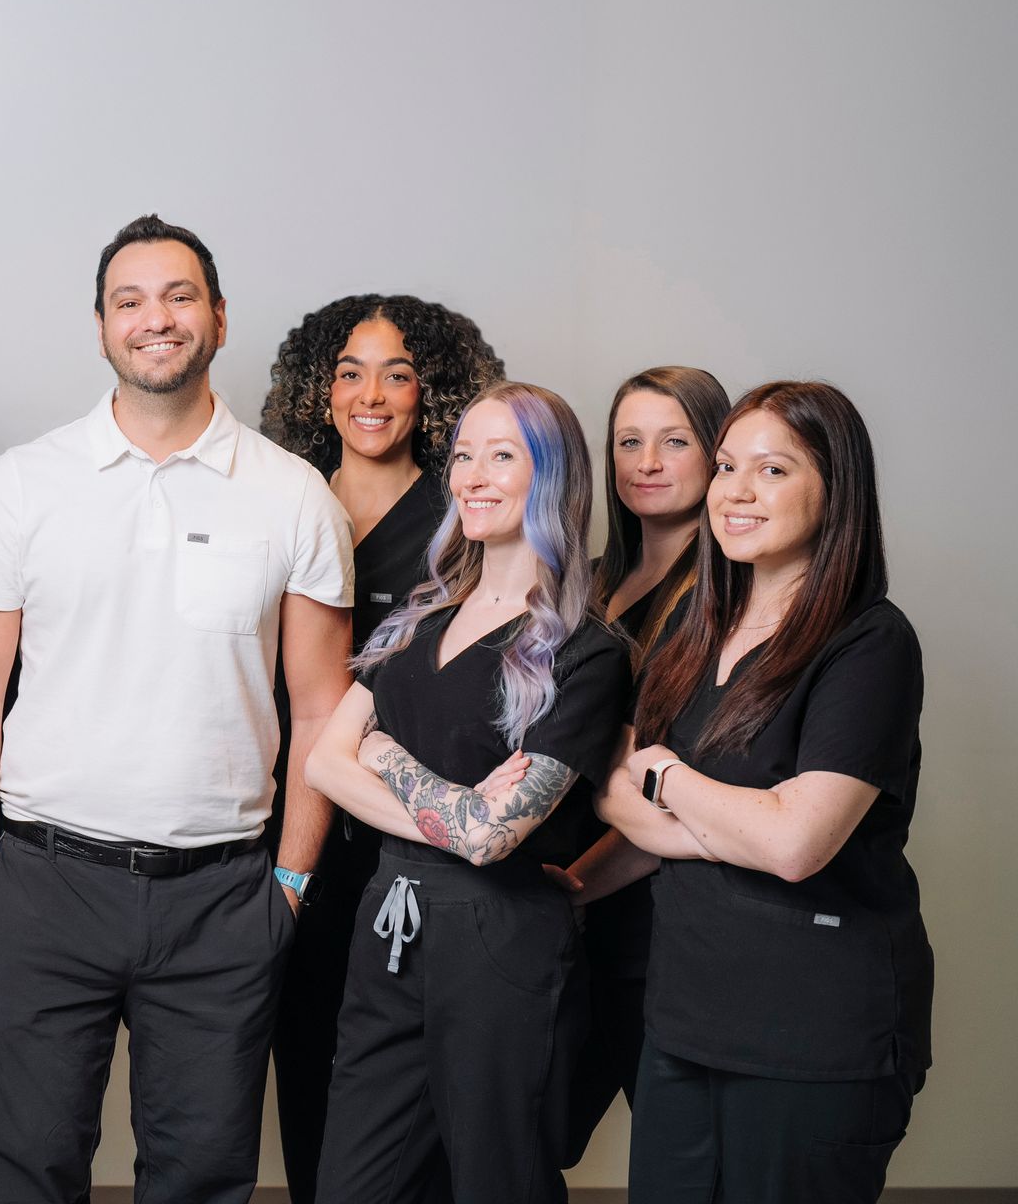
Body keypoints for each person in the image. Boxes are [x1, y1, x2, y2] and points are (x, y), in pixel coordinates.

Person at [0, 214, 355, 1203]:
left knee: (203, 1177)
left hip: (221, 898)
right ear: (100, 327)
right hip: (42, 885)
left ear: (217, 316)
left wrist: (288, 886)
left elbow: (321, 708)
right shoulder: (24, 485)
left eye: (178, 296)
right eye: (130, 300)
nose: (155, 318)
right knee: (25, 1172)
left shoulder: (294, 496)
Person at [597, 381, 932, 1203]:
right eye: (726, 467)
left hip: (815, 1036)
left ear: (835, 489)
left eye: (773, 470)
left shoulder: (870, 643)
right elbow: (613, 791)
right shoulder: (696, 628)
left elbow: (794, 845)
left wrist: (668, 774)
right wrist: (574, 887)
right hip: (685, 1021)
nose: (735, 492)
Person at [305, 382, 633, 1204]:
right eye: (461, 455)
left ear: (553, 477)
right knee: (354, 1184)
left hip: (499, 938)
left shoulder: (586, 652)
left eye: (502, 456)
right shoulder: (416, 620)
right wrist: (451, 806)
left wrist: (384, 755)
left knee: (496, 1179)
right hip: (388, 922)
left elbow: (493, 840)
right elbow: (322, 764)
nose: (471, 476)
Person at [258, 293, 505, 1203]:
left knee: (420, 1100)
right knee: (310, 1065)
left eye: (397, 374)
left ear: (429, 394)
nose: (371, 395)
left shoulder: (465, 521)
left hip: (418, 843)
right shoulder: (279, 505)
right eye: (350, 373)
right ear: (318, 392)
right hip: (289, 838)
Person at [553, 366, 729, 1166]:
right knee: (529, 1132)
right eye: (629, 441)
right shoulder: (591, 584)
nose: (646, 461)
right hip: (568, 912)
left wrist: (576, 888)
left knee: (679, 1155)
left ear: (718, 451)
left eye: (674, 440)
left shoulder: (731, 602)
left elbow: (678, 795)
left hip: (654, 919)